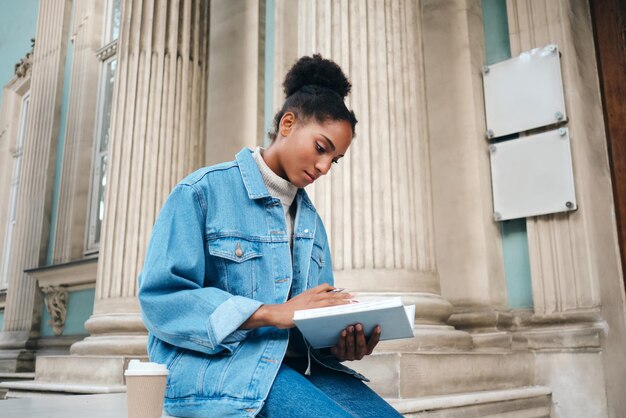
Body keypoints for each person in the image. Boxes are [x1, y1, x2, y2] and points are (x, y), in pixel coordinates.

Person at [138, 54, 403, 418]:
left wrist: (342, 344)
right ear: (288, 123)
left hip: (292, 371)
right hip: (221, 371)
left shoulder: (311, 222)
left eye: (335, 159)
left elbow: (308, 326)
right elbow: (162, 301)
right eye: (321, 148)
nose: (325, 167)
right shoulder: (201, 192)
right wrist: (271, 313)